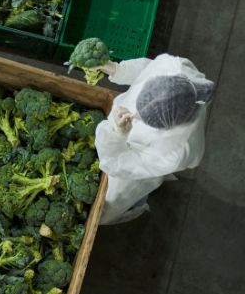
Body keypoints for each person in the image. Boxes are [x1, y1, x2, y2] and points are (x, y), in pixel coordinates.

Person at [92, 54, 215, 225]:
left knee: (113, 199)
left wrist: (116, 136)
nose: (134, 115)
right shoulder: (174, 67)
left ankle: (133, 206)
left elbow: (119, 165)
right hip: (130, 147)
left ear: (164, 126)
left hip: (134, 171)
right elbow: (146, 69)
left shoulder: (175, 151)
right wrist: (118, 70)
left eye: (142, 119)